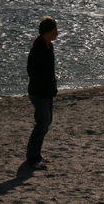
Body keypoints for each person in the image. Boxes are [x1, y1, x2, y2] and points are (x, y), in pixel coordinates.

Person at [26, 16, 58, 170]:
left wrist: (53, 87)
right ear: (46, 33)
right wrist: (43, 87)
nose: (56, 34)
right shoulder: (37, 49)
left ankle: (37, 155)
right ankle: (32, 158)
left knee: (46, 124)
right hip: (38, 93)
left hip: (47, 93)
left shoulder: (49, 47)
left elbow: (51, 72)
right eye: (54, 31)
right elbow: (32, 72)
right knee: (42, 125)